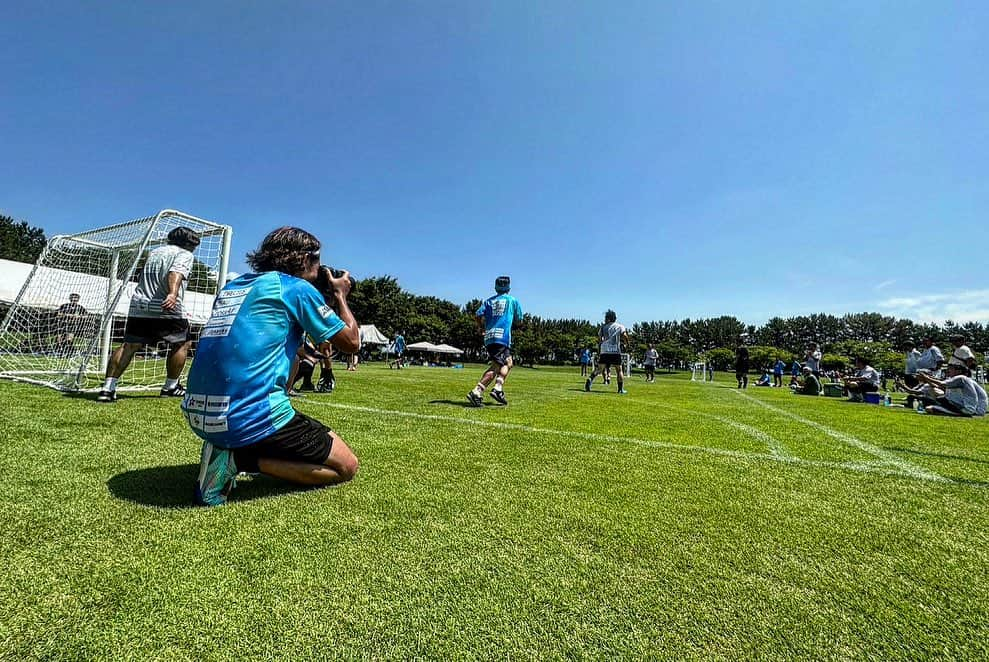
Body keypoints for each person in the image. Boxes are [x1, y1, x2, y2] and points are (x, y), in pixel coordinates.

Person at [184, 226, 360, 506]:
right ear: (305, 259)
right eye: (317, 260)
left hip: (198, 413)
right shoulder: (295, 288)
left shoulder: (234, 286)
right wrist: (340, 295)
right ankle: (237, 459)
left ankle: (228, 446)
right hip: (246, 415)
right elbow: (351, 343)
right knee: (345, 466)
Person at [97, 227, 201, 402]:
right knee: (183, 343)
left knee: (129, 345)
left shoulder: (154, 253)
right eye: (193, 245)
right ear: (186, 243)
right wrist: (173, 293)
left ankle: (107, 389)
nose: (193, 249)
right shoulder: (184, 254)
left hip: (139, 304)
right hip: (165, 305)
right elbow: (175, 273)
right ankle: (170, 386)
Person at [467, 276, 523, 406]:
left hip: (490, 336)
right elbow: (519, 319)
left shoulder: (488, 302)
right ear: (509, 287)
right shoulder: (512, 300)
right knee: (497, 366)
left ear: (495, 287)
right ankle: (477, 391)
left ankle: (498, 389)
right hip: (502, 337)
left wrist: (481, 328)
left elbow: (477, 315)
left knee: (508, 362)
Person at [912, 363, 987, 417]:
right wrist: (927, 379)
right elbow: (939, 385)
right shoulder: (961, 380)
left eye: (951, 369)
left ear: (959, 371)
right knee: (939, 399)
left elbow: (941, 384)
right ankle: (949, 411)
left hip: (971, 410)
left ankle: (957, 414)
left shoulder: (961, 378)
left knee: (931, 407)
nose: (948, 370)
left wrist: (925, 377)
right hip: (973, 409)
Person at [585, 310, 628, 394]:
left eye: (605, 317)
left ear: (608, 318)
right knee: (619, 370)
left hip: (604, 350)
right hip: (615, 351)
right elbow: (624, 335)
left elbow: (599, 340)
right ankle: (620, 389)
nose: (604, 319)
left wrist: (599, 350)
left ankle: (590, 379)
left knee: (599, 369)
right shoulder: (620, 326)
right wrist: (627, 344)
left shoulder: (602, 327)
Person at [900, 340, 922, 409]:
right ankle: (910, 396)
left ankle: (915, 398)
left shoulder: (916, 353)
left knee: (914, 386)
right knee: (909, 385)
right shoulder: (908, 353)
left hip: (914, 372)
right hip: (908, 372)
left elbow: (919, 363)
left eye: (906, 346)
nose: (905, 348)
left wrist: (917, 373)